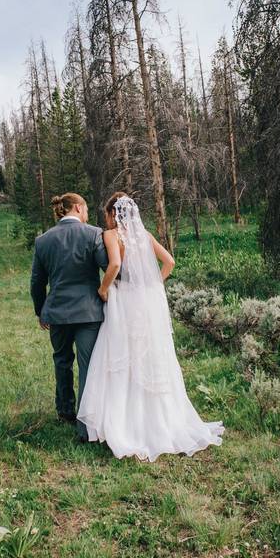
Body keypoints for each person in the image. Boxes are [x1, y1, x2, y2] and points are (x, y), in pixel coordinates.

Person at [76, 192, 224, 461]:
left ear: (112, 214)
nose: (106, 219)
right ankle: (157, 419)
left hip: (123, 302)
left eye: (107, 214)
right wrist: (152, 285)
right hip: (144, 302)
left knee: (120, 356)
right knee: (148, 356)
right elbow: (169, 262)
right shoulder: (143, 235)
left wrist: (103, 288)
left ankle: (124, 421)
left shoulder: (111, 236)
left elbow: (116, 264)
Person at [30, 193, 109, 441]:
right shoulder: (93, 233)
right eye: (85, 208)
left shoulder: (43, 240)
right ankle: (86, 424)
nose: (87, 213)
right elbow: (108, 266)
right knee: (88, 365)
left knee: (62, 360)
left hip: (58, 312)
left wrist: (40, 310)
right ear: (77, 207)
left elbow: (37, 282)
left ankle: (65, 411)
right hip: (89, 312)